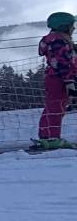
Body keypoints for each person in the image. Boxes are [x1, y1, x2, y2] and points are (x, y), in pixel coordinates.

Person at [36, 12, 77, 150]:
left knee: (52, 107)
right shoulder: (59, 42)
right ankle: (53, 138)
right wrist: (69, 82)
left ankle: (45, 136)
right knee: (56, 108)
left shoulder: (57, 40)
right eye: (72, 25)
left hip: (56, 78)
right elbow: (63, 63)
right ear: (64, 27)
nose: (74, 28)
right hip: (60, 78)